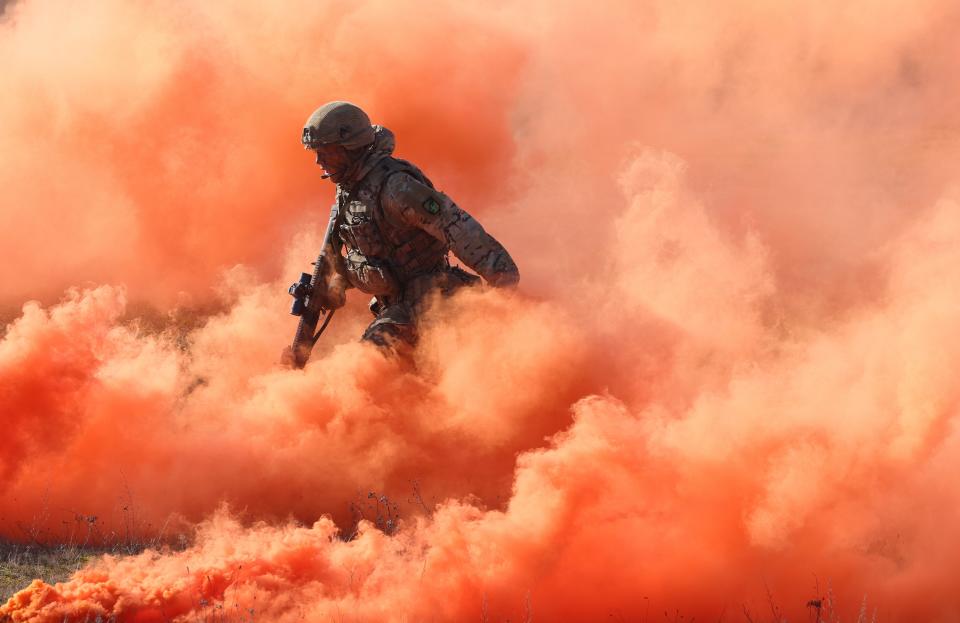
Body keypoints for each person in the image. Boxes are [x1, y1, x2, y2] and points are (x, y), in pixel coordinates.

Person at [299, 101, 519, 351]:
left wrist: (503, 287)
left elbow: (455, 226)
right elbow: (372, 256)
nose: (319, 161)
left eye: (326, 152)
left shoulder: (395, 187)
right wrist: (336, 286)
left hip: (434, 300)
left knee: (369, 363)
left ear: (349, 147)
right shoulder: (349, 192)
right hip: (398, 308)